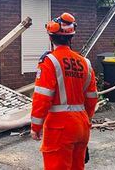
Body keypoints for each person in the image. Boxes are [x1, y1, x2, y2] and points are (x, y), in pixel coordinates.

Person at [30, 12, 98, 170]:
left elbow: (42, 98)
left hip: (59, 128)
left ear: (50, 37)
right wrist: (85, 119)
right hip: (81, 126)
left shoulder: (49, 62)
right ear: (71, 37)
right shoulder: (85, 63)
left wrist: (35, 127)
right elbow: (92, 98)